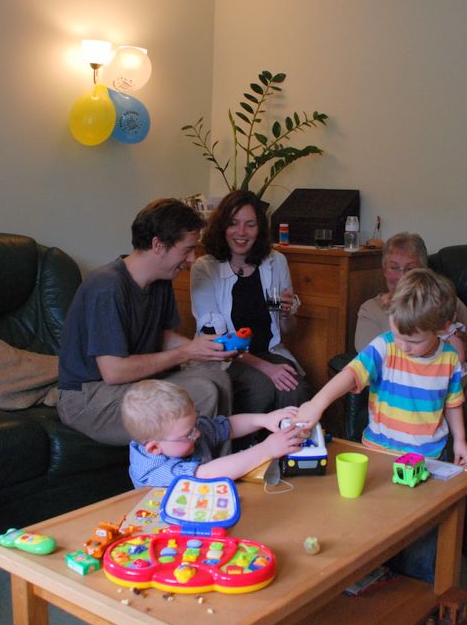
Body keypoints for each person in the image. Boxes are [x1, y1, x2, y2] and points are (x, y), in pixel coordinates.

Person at [297, 268, 467, 581]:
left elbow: (453, 403)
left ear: (443, 328)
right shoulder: (384, 346)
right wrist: (318, 403)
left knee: (422, 531)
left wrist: (460, 439)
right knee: (374, 523)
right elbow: (350, 374)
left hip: (428, 456)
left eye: (413, 341)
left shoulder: (449, 359)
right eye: (397, 334)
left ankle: (417, 589)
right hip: (380, 451)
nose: (403, 345)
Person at [354, 232, 467, 559]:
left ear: (426, 272)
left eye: (411, 268)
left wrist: (450, 337)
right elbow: (368, 362)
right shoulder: (372, 310)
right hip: (405, 388)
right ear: (384, 271)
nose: (401, 275)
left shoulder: (447, 304)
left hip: (456, 378)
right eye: (394, 267)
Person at [58, 198, 235, 446]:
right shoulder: (107, 286)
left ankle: (224, 466)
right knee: (202, 392)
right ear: (158, 245)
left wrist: (208, 348)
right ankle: (198, 469)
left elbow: (162, 337)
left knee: (218, 379)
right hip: (87, 398)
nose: (193, 259)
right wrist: (186, 352)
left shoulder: (161, 281)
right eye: (186, 250)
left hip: (131, 386)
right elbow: (114, 372)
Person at [191, 191, 312, 414]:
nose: (241, 232)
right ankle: (243, 437)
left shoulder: (276, 261)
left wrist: (286, 314)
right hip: (224, 359)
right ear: (222, 226)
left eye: (250, 225)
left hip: (269, 351)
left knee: (296, 390)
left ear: (260, 229)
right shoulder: (205, 268)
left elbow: (288, 329)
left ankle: (289, 437)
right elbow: (217, 340)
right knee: (260, 389)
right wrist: (267, 368)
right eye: (233, 223)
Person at [121, 379, 306, 487]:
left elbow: (229, 426)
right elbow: (206, 474)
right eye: (188, 434)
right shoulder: (153, 471)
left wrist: (263, 419)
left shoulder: (184, 431)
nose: (197, 434)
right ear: (154, 448)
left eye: (195, 424)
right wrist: (267, 449)